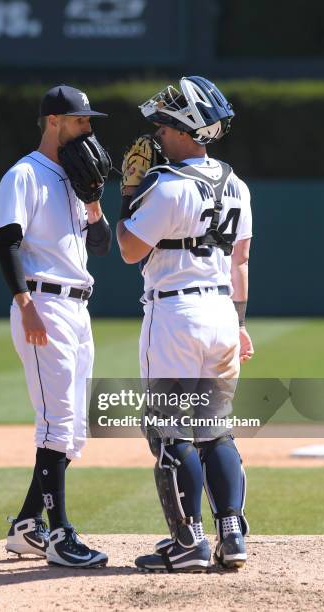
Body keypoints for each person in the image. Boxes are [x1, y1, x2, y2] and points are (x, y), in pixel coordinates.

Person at [117, 76, 254, 572]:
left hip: (174, 314)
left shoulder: (166, 184)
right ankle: (232, 535)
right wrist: (239, 323)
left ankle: (189, 542)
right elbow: (240, 261)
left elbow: (130, 249)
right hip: (221, 312)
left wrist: (130, 193)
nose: (156, 131)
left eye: (164, 123)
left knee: (169, 431)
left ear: (183, 128)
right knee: (215, 429)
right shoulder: (236, 183)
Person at [0, 84, 112, 568]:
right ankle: (60, 534)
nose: (88, 128)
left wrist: (95, 201)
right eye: (80, 120)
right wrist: (24, 304)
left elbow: (101, 245)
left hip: (77, 308)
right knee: (56, 423)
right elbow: (7, 242)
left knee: (73, 427)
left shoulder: (74, 178)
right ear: (53, 122)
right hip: (42, 303)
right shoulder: (24, 174)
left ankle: (27, 525)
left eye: (88, 121)